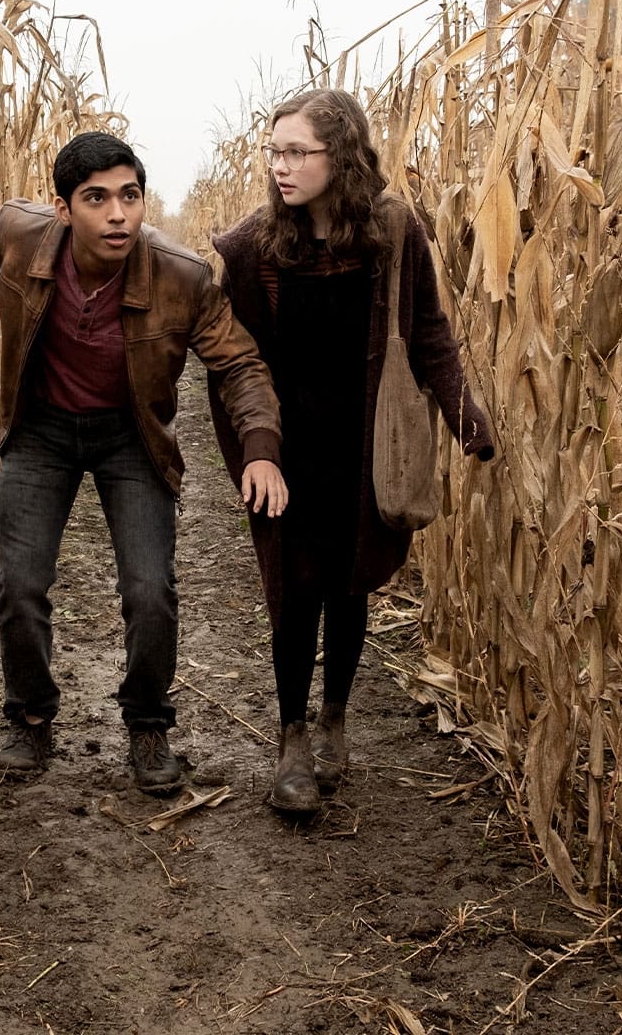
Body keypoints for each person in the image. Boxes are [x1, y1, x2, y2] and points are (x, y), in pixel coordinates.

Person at [0, 132, 289, 796]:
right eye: (97, 199)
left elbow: (239, 364)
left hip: (130, 437)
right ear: (64, 209)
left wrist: (261, 447)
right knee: (21, 585)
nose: (118, 214)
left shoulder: (182, 276)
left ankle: (148, 723)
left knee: (150, 590)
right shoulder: (20, 234)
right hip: (42, 431)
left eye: (130, 196)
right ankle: (30, 716)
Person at [208, 89, 494, 814]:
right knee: (293, 590)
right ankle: (292, 738)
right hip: (284, 445)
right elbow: (234, 366)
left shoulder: (394, 233)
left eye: (297, 151)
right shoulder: (251, 249)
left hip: (366, 442)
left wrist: (468, 420)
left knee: (349, 582)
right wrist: (253, 454)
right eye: (273, 151)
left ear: (343, 156)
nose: (281, 165)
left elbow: (430, 334)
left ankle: (336, 721)